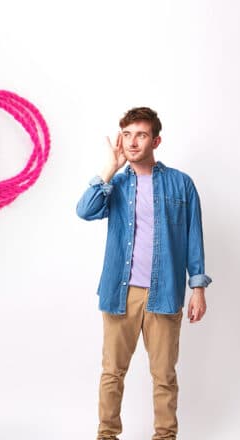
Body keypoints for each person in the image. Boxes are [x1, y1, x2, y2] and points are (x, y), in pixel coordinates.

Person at [76, 107, 211, 440]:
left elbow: (194, 238)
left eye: (140, 134)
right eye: (126, 134)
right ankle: (106, 436)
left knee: (164, 375)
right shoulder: (117, 184)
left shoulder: (181, 184)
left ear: (156, 140)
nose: (132, 142)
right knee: (112, 373)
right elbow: (84, 210)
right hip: (120, 293)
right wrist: (109, 169)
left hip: (163, 292)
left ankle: (165, 437)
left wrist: (198, 288)